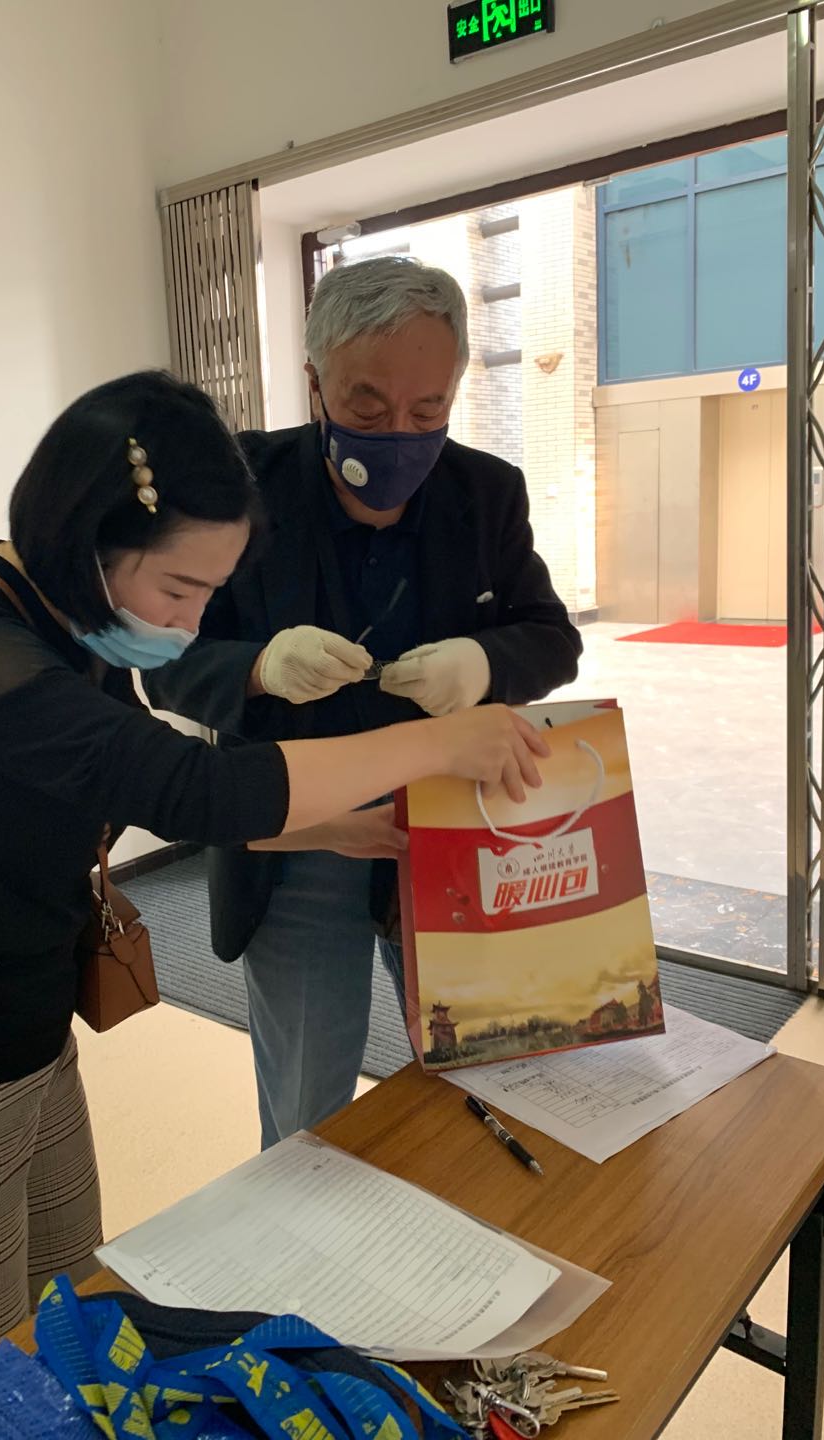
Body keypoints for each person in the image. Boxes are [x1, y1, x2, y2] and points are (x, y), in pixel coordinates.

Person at [0, 371, 549, 1407]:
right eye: (180, 592)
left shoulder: (62, 624)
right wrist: (443, 740)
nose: (192, 628)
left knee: (71, 1347)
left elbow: (138, 779)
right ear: (83, 543)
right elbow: (189, 782)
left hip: (29, 1043)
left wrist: (330, 830)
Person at [147, 258, 582, 1149]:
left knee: (486, 1081)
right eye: (369, 408)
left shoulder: (485, 493)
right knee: (307, 1110)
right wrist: (260, 668)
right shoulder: (237, 489)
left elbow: (552, 638)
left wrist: (482, 663)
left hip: (450, 834)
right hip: (299, 839)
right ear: (315, 383)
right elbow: (163, 662)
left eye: (428, 411)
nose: (400, 436)